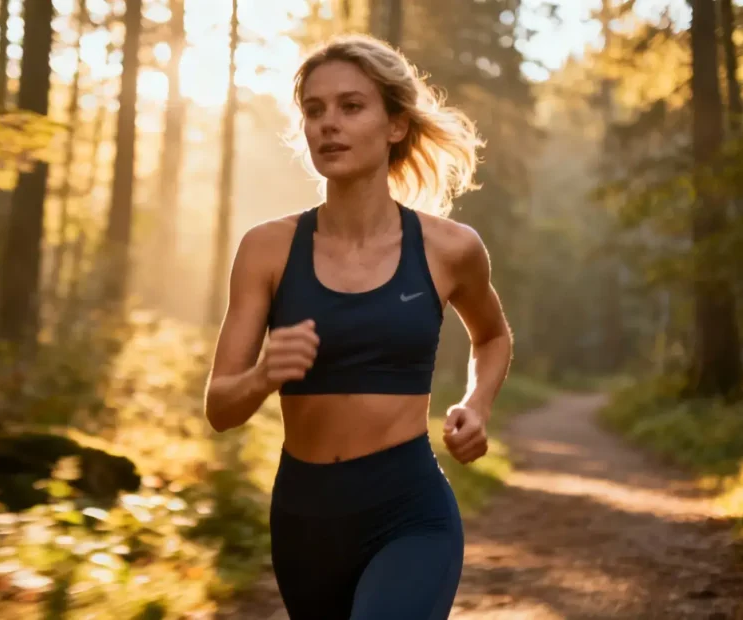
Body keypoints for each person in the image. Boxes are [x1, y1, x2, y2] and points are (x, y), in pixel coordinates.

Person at [204, 33, 513, 620]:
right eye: (314, 110)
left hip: (408, 510)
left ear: (396, 124)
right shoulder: (267, 249)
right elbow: (220, 407)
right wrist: (264, 374)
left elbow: (493, 335)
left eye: (351, 106)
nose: (328, 124)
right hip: (304, 520)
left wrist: (477, 405)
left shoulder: (449, 248)